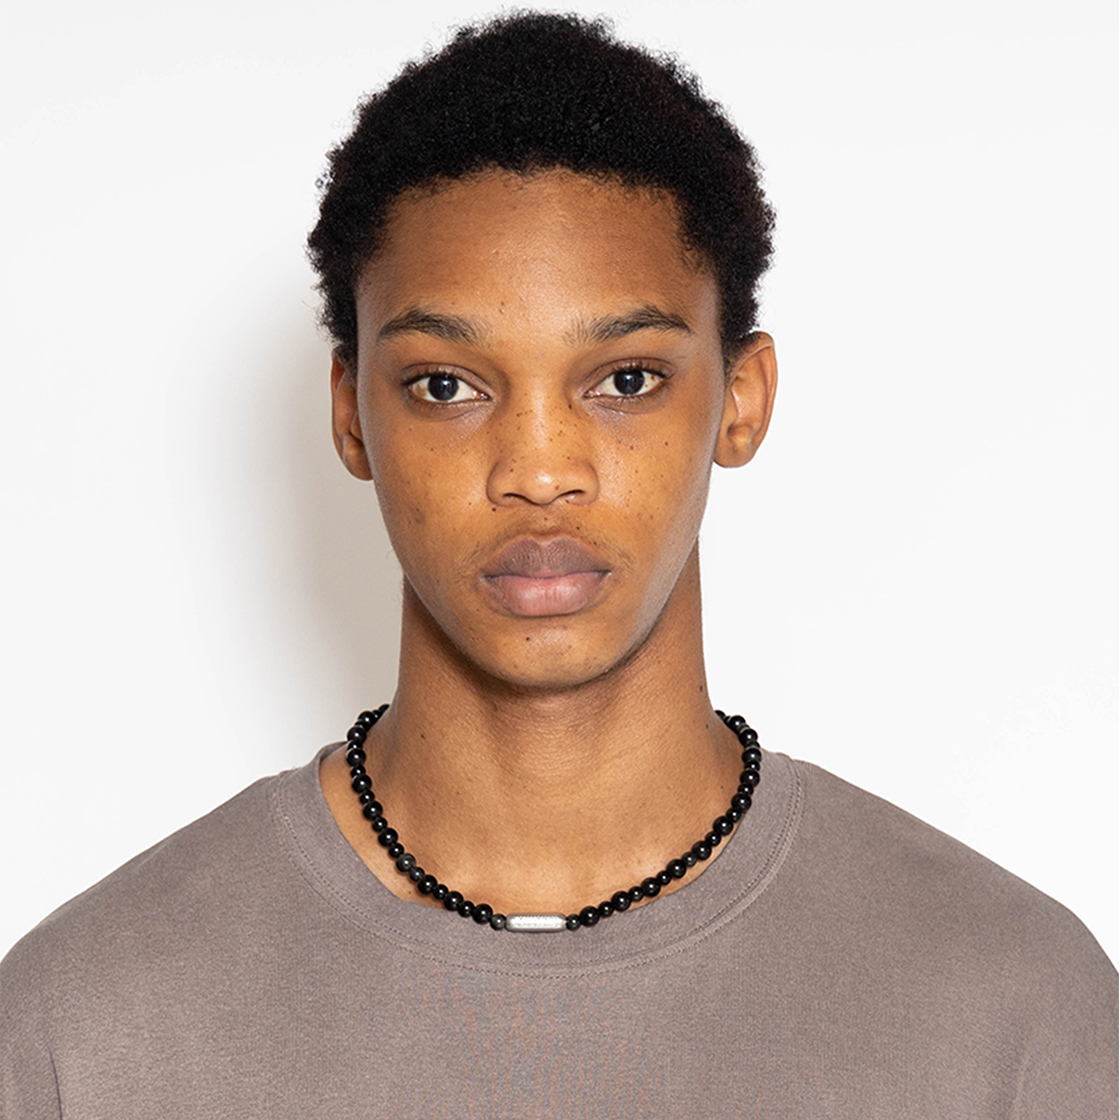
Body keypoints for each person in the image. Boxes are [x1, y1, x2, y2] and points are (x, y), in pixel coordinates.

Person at [1, 12, 1114, 1118]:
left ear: (742, 399)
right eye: (446, 385)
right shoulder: (86, 1024)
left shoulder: (1010, 1008)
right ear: (350, 413)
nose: (538, 470)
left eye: (625, 379)